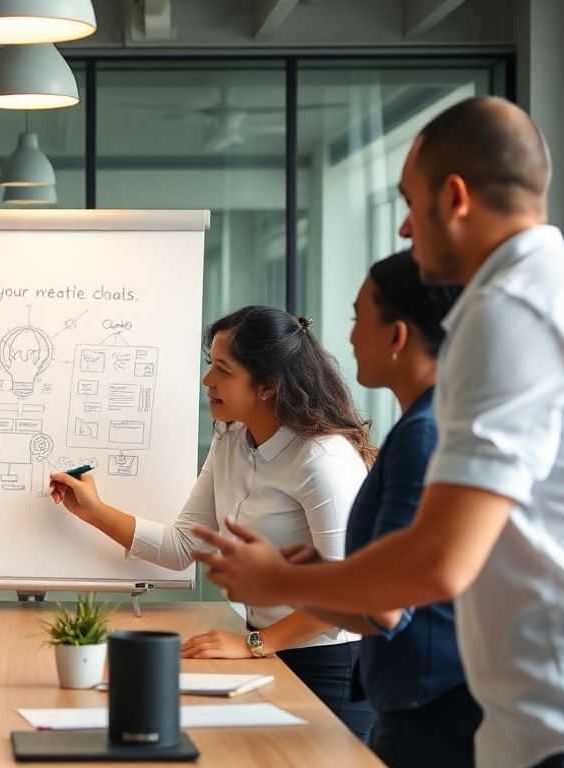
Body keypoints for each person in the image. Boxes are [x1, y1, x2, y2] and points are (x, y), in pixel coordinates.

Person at [199, 97, 564, 768]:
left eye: (410, 204)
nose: (406, 229)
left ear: (455, 198)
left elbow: (440, 562)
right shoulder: (558, 295)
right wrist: (319, 578)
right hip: (547, 715)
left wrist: (284, 583)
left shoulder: (513, 311)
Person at [48, 305, 377, 739]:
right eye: (210, 365)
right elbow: (183, 547)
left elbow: (349, 595)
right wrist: (93, 510)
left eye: (223, 370)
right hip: (266, 650)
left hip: (330, 666)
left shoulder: (322, 459)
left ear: (267, 385)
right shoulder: (232, 441)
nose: (207, 381)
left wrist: (252, 644)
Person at [294, 250, 477, 767]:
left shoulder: (424, 433)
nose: (349, 337)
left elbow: (386, 606)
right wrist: (302, 577)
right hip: (418, 696)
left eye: (358, 320)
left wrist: (283, 581)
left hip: (430, 710)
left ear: (397, 336)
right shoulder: (426, 422)